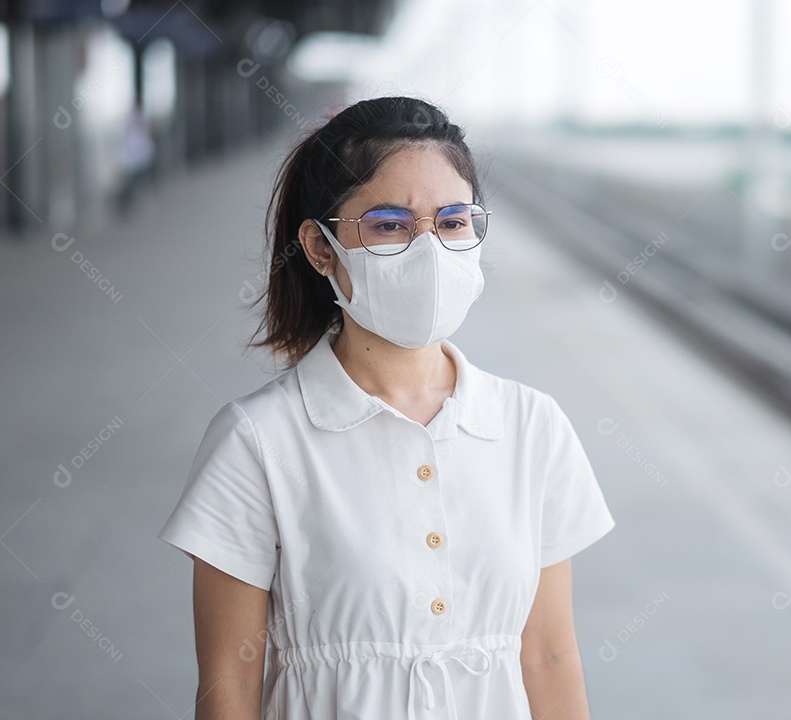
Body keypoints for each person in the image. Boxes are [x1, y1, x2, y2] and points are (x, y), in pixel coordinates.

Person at [156, 96, 616, 720]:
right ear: (321, 249)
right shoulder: (257, 441)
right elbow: (228, 687)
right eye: (390, 225)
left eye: (453, 221)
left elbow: (549, 657)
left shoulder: (532, 427)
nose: (430, 250)